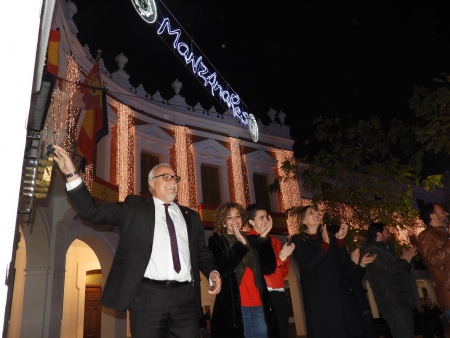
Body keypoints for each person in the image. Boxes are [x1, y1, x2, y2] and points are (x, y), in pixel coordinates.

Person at [52, 145, 222, 338]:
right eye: (166, 177)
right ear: (151, 184)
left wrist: (212, 271)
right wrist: (72, 175)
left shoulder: (190, 216)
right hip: (147, 297)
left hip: (185, 299)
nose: (172, 181)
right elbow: (93, 211)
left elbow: (201, 252)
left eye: (175, 178)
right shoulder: (134, 208)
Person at [291, 206, 364, 338]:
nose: (316, 214)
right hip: (319, 297)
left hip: (337, 294)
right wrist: (325, 245)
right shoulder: (298, 239)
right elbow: (307, 267)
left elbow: (342, 266)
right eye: (311, 213)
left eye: (317, 212)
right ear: (303, 221)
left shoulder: (328, 237)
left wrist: (340, 241)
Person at [208, 202, 276, 338]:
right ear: (222, 223)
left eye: (238, 216)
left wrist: (263, 239)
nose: (235, 220)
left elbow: (268, 268)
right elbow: (222, 270)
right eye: (229, 217)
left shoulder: (252, 240)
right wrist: (240, 245)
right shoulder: (217, 240)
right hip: (234, 308)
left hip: (258, 304)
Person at [246, 203, 295, 338]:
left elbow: (282, 274)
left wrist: (285, 258)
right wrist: (280, 258)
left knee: (283, 331)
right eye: (261, 217)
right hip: (263, 294)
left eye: (267, 217)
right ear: (251, 221)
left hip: (279, 292)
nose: (266, 220)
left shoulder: (274, 240)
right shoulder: (248, 241)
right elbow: (260, 268)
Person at [361, 222, 417, 338]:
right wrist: (404, 261)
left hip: (401, 298)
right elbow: (389, 270)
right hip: (392, 301)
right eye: (386, 231)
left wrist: (406, 261)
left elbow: (402, 271)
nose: (389, 234)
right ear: (378, 234)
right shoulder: (370, 250)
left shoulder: (387, 249)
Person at [418, 203, 450, 317]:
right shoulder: (426, 236)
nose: (447, 213)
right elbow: (434, 259)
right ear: (433, 216)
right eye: (442, 211)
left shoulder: (445, 233)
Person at [349, 248, 378, 338]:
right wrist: (354, 264)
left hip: (359, 300)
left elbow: (354, 279)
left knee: (369, 330)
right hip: (350, 305)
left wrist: (362, 264)